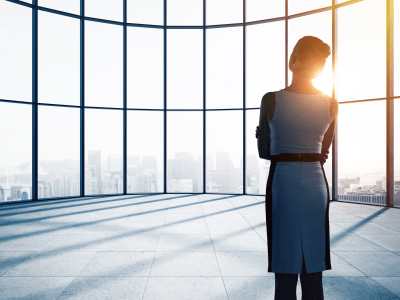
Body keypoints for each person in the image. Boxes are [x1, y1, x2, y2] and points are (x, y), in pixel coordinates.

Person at [257, 36, 339, 299]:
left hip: (283, 182)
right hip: (316, 184)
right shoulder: (331, 104)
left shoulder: (271, 99)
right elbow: (324, 153)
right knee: (313, 271)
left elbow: (264, 152)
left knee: (285, 272)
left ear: (293, 62)